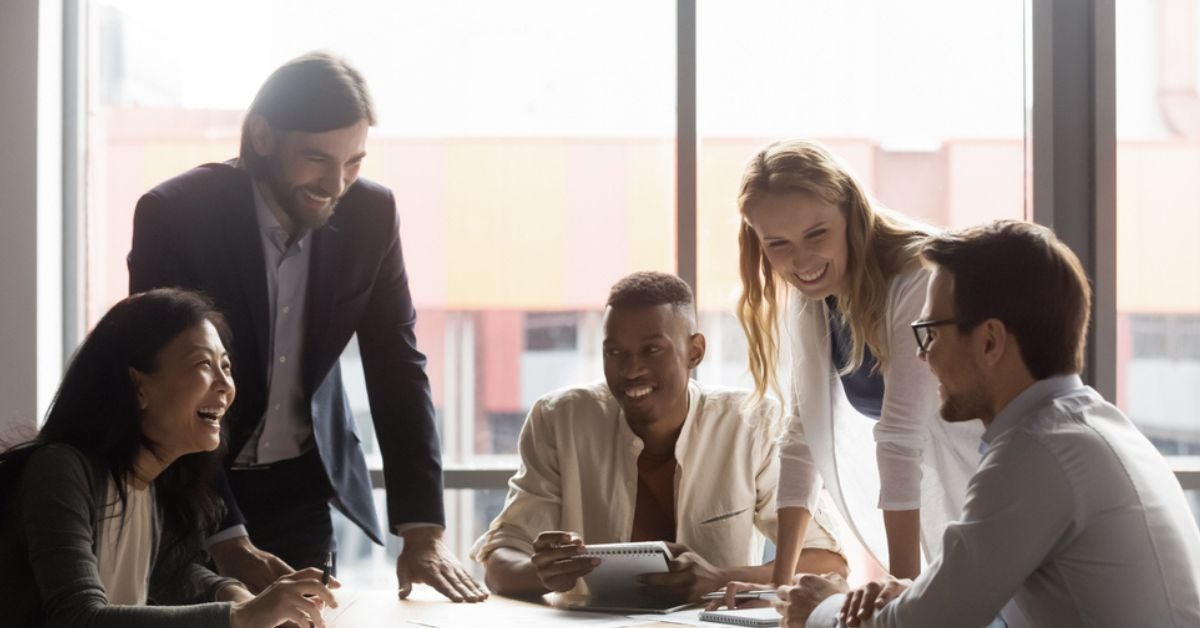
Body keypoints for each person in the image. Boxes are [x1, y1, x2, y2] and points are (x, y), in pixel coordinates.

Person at [127, 51, 485, 602]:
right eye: (317, 159)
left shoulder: (372, 215)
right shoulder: (176, 214)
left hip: (300, 485)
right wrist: (226, 534)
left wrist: (422, 529)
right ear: (263, 136)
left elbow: (397, 364)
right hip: (190, 478)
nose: (336, 184)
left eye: (354, 162)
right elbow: (167, 383)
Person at [781, 220, 1200, 627]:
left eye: (930, 333)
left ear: (989, 342)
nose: (923, 356)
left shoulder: (1035, 455)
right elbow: (952, 604)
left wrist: (820, 610)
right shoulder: (1086, 427)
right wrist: (911, 599)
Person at [471, 272, 847, 602]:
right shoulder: (558, 419)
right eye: (614, 352)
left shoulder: (752, 423)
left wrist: (720, 579)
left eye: (652, 350)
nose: (631, 369)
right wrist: (542, 574)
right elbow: (501, 561)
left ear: (695, 351)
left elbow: (827, 563)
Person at [0, 288, 339, 627]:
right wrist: (241, 616)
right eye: (204, 364)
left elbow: (172, 573)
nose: (226, 385)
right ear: (138, 387)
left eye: (226, 366)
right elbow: (77, 617)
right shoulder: (60, 470)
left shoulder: (155, 479)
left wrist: (235, 594)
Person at [732, 139, 982, 587]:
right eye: (778, 244)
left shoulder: (918, 279)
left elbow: (901, 438)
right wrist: (779, 585)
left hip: (991, 482)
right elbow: (802, 436)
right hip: (940, 494)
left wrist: (899, 598)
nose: (801, 261)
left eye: (816, 234)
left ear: (851, 213)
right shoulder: (816, 295)